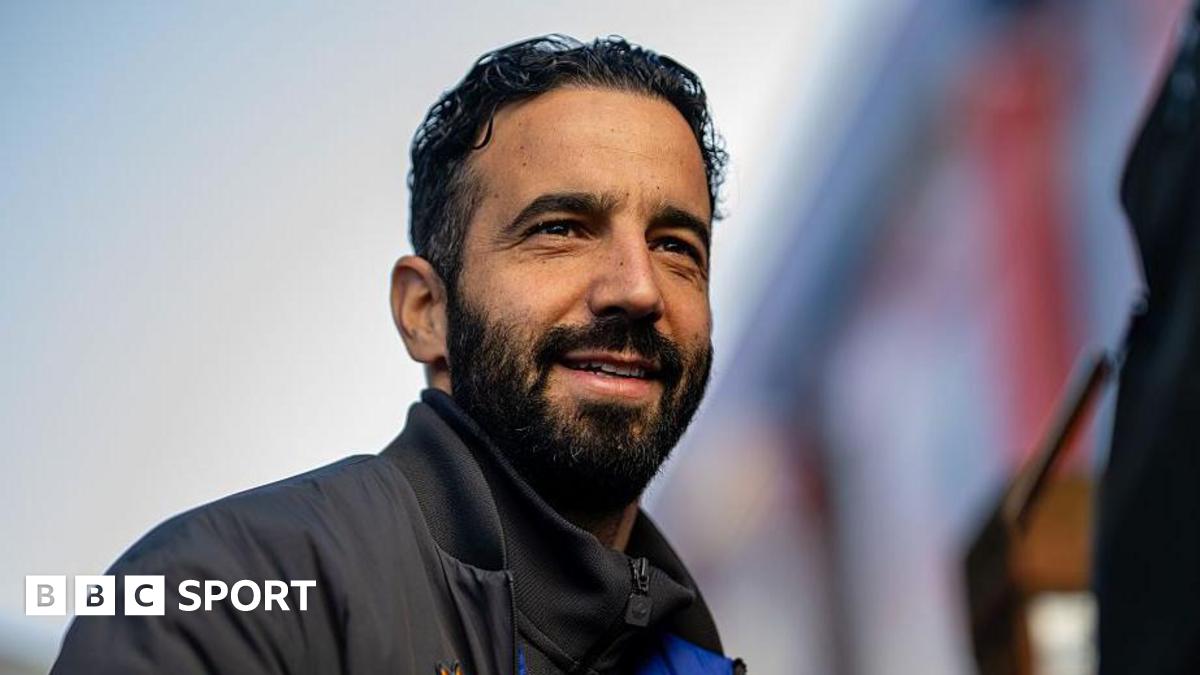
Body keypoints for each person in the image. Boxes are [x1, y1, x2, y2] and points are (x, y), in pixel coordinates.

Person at [52, 35, 743, 674]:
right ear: (425, 312)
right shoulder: (213, 597)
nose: (637, 286)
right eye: (561, 228)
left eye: (676, 245)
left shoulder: (693, 654)